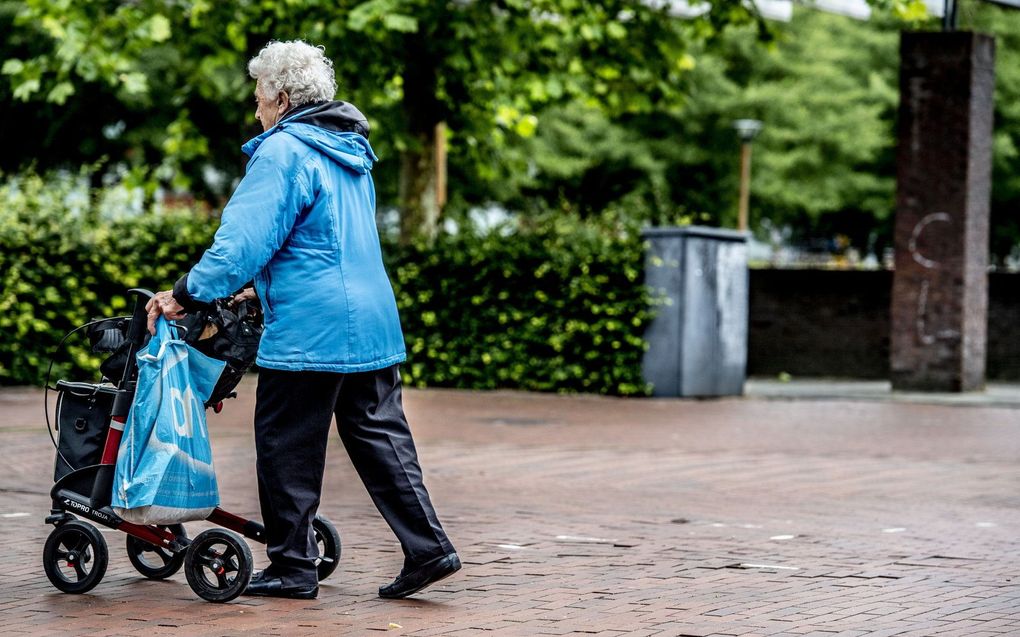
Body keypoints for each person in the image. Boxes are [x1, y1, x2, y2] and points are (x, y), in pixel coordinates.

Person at [145, 40, 459, 600]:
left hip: (312, 327)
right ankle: (428, 548)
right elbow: (319, 241)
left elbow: (241, 243)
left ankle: (293, 566)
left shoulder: (284, 151)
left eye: (260, 98)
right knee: (379, 435)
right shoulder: (348, 150)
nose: (256, 111)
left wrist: (186, 294)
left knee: (285, 440)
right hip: (370, 319)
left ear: (283, 98)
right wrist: (255, 287)